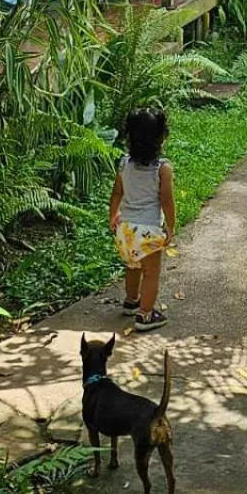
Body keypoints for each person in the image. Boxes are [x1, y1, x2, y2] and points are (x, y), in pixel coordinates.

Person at [109, 106, 176, 331]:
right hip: (148, 230)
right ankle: (145, 314)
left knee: (132, 265)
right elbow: (167, 201)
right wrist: (170, 226)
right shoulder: (162, 169)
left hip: (125, 228)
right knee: (151, 273)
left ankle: (131, 301)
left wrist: (112, 216)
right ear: (161, 138)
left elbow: (116, 193)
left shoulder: (123, 163)